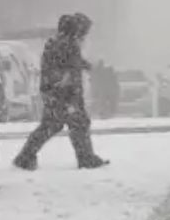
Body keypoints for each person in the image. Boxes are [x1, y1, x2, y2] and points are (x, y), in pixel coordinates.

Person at [13, 13, 109, 170]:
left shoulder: (57, 42)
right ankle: (85, 158)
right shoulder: (67, 45)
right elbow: (69, 68)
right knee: (76, 123)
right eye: (83, 31)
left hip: (56, 92)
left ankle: (26, 156)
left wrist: (87, 67)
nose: (84, 35)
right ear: (75, 30)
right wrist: (69, 91)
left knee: (54, 125)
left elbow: (69, 64)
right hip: (65, 93)